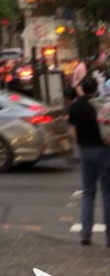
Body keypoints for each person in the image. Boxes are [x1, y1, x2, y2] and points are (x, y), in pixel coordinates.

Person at [68, 75, 110, 247]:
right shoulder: (101, 105)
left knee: (88, 193)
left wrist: (80, 143)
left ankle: (86, 233)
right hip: (103, 150)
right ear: (95, 89)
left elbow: (72, 131)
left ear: (82, 88)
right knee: (107, 194)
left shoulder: (75, 107)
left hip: (85, 150)